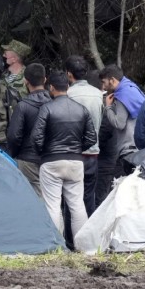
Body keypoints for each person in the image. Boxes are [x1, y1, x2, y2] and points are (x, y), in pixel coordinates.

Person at [31, 71, 97, 247]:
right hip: (76, 162)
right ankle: (82, 246)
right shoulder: (81, 109)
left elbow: (36, 137)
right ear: (68, 87)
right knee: (77, 205)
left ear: (51, 87)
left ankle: (56, 245)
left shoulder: (47, 108)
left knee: (52, 205)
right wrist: (76, 150)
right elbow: (92, 139)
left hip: (51, 161)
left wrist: (44, 154)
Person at [66, 55, 103, 217]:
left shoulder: (67, 94)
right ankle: (88, 234)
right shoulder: (98, 94)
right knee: (88, 195)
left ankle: (69, 238)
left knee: (69, 198)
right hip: (92, 153)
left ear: (68, 74)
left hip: (71, 152)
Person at [6, 63, 51, 197]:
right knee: (52, 196)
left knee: (32, 195)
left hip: (27, 158)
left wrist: (14, 153)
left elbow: (14, 135)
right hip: (51, 156)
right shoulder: (54, 103)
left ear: (25, 81)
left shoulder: (22, 106)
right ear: (45, 79)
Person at [100, 64, 145, 177]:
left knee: (118, 183)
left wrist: (108, 107)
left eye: (104, 82)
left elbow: (119, 123)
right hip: (140, 146)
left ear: (112, 80)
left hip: (128, 149)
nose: (103, 86)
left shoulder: (122, 96)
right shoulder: (133, 88)